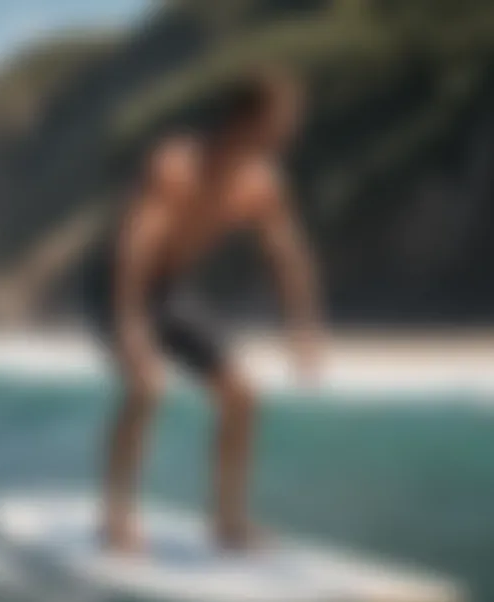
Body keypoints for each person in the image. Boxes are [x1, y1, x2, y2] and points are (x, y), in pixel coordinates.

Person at [81, 67, 323, 553]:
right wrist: (130, 325)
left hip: (170, 288)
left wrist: (303, 327)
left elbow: (288, 255)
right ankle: (116, 518)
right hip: (115, 281)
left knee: (241, 395)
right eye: (283, 118)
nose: (292, 128)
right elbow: (135, 245)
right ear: (246, 119)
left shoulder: (262, 184)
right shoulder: (176, 165)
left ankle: (228, 523)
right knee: (147, 385)